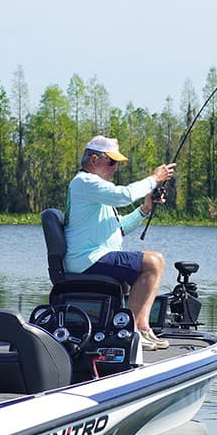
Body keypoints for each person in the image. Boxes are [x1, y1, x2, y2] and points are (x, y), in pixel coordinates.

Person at [64, 135, 176, 350]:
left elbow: (119, 227)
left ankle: (141, 327)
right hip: (87, 260)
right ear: (94, 159)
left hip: (97, 257)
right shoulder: (84, 182)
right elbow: (124, 195)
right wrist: (154, 178)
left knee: (156, 261)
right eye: (111, 162)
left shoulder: (95, 188)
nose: (115, 168)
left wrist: (145, 208)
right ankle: (130, 330)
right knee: (152, 261)